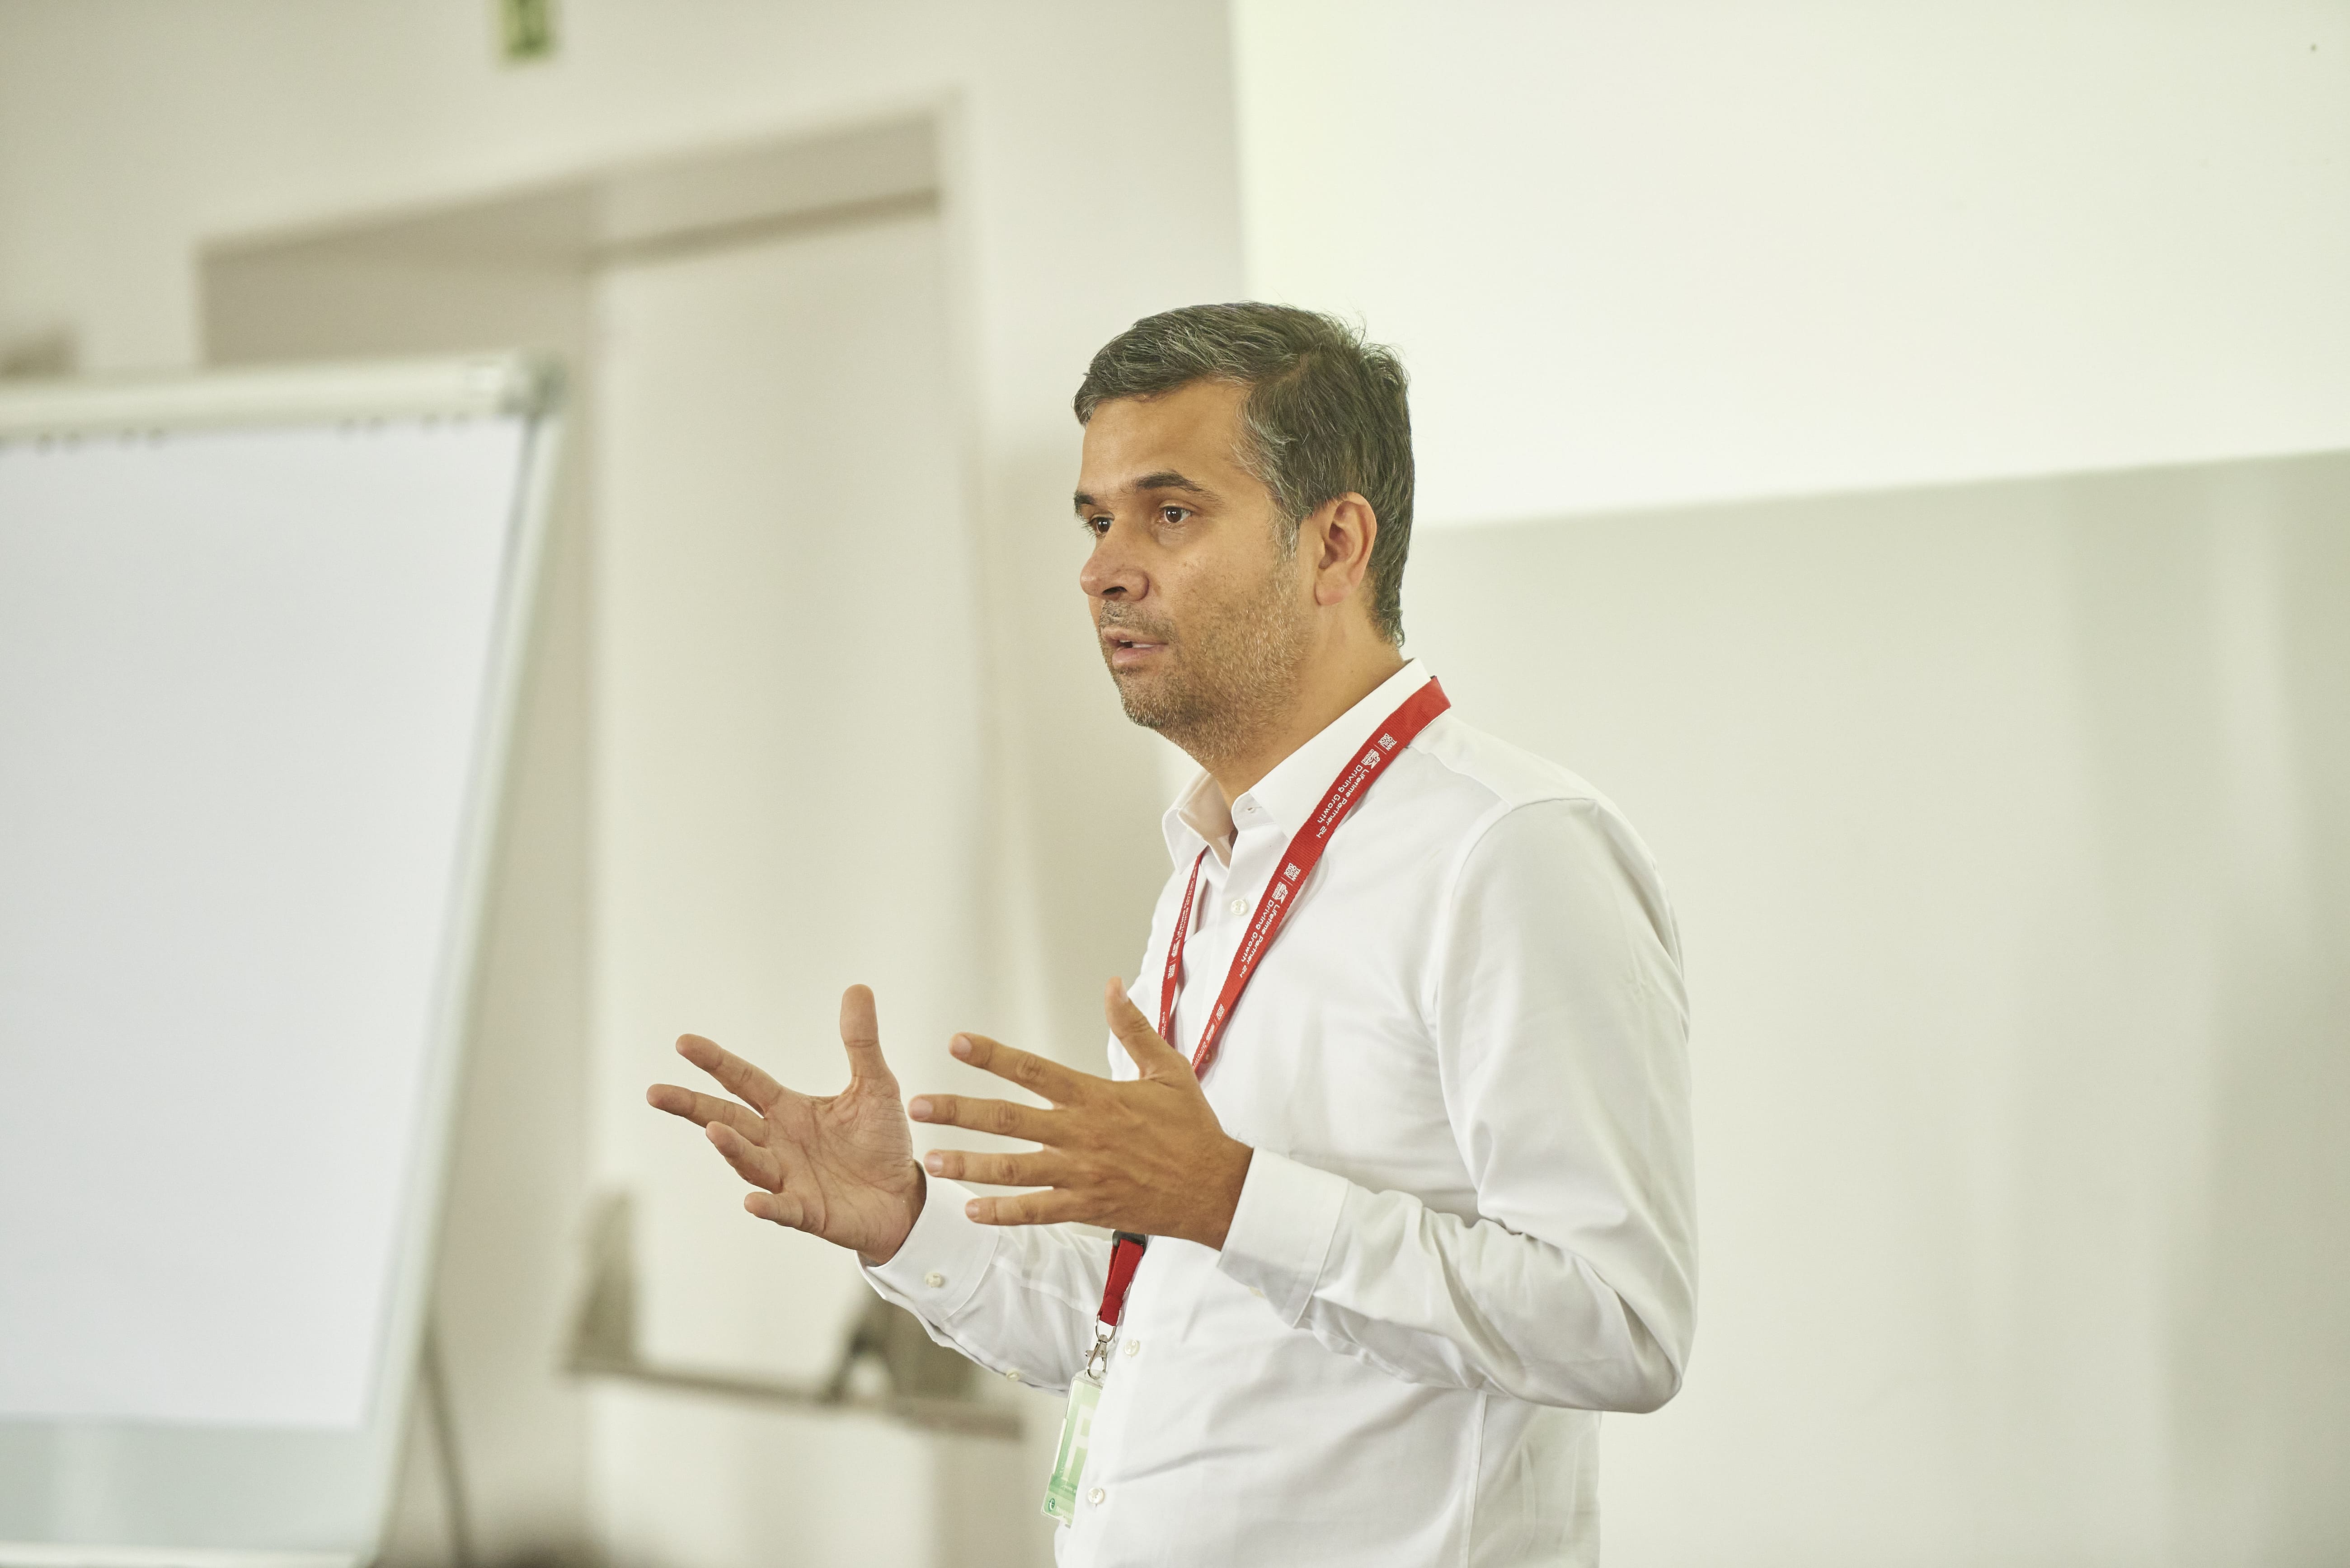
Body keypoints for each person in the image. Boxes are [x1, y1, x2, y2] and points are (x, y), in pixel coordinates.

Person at [646, 304, 1697, 1565]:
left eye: (1172, 513)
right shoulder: (1214, 862)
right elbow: (1152, 1319)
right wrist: (907, 1222)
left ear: (1336, 545)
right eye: (1096, 520)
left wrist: (1234, 1196)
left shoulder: (1509, 852)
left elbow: (1619, 1326)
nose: (1104, 569)